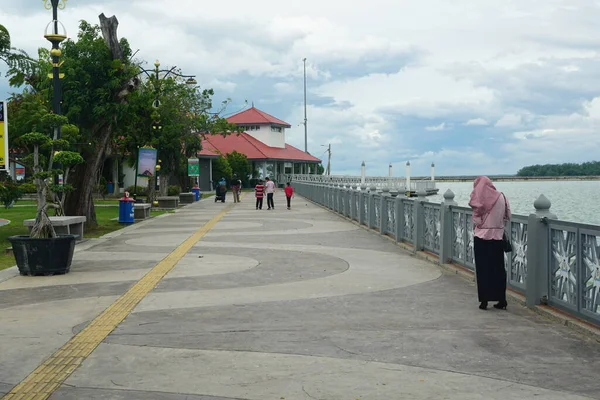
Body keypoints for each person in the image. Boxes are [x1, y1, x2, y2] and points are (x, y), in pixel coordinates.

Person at [469, 176, 511, 311]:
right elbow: (507, 216)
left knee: (483, 270)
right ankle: (502, 299)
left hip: (481, 238)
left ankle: (484, 301)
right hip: (498, 237)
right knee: (498, 269)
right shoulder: (502, 196)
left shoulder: (479, 199)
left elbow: (477, 221)